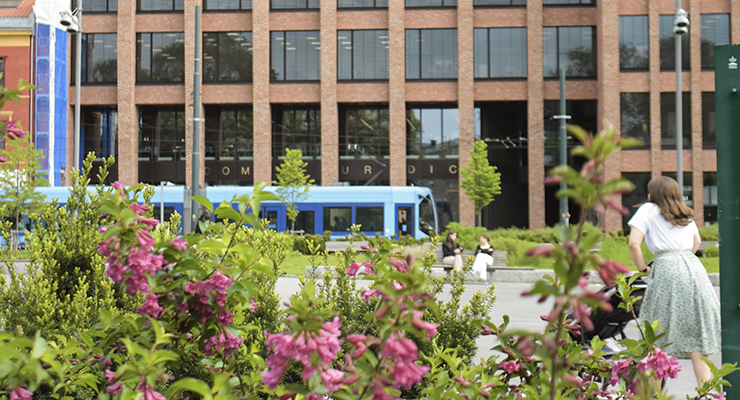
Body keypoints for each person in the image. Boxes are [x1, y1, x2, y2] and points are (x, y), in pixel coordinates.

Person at [627, 176, 721, 392]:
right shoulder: (684, 211)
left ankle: (652, 396)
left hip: (667, 268)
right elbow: (696, 243)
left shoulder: (648, 210)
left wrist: (643, 269)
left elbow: (634, 243)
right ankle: (706, 394)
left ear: (654, 194)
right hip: (693, 268)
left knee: (657, 336)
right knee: (698, 336)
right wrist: (683, 258)